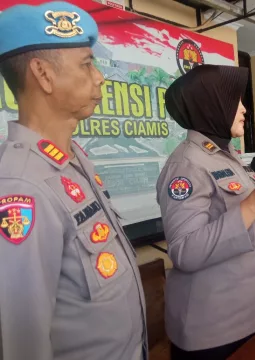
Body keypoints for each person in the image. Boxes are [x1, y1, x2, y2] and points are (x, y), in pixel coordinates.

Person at [0, 2, 147, 360]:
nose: (100, 77)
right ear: (43, 74)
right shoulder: (22, 186)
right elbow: (24, 343)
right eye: (86, 63)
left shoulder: (72, 158)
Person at [156, 64, 255, 359]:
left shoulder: (229, 157)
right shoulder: (186, 165)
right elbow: (185, 250)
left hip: (253, 312)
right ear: (211, 104)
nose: (244, 109)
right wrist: (254, 202)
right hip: (215, 329)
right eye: (236, 101)